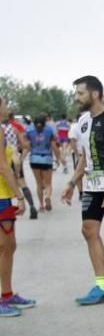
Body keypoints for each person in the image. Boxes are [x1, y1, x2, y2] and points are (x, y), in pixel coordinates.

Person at [61, 75, 104, 305]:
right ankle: (101, 285)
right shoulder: (81, 121)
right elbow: (83, 157)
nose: (76, 98)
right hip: (92, 182)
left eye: (80, 93)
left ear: (95, 94)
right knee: (88, 230)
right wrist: (72, 183)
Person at [0, 95, 35, 318]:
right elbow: (2, 166)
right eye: (4, 103)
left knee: (9, 247)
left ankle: (8, 293)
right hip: (2, 195)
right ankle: (4, 297)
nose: (7, 107)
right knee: (5, 247)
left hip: (3, 194)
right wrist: (19, 195)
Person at [2, 113, 37, 219]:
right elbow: (25, 144)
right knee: (22, 183)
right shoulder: (15, 128)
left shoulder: (2, 128)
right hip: (14, 157)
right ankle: (32, 207)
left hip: (3, 158)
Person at [24, 114, 60, 212]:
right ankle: (47, 196)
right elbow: (54, 146)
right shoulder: (49, 130)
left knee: (39, 184)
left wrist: (23, 157)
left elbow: (26, 145)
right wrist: (58, 158)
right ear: (45, 122)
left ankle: (41, 206)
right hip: (46, 159)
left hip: (34, 159)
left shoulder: (29, 130)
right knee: (48, 184)